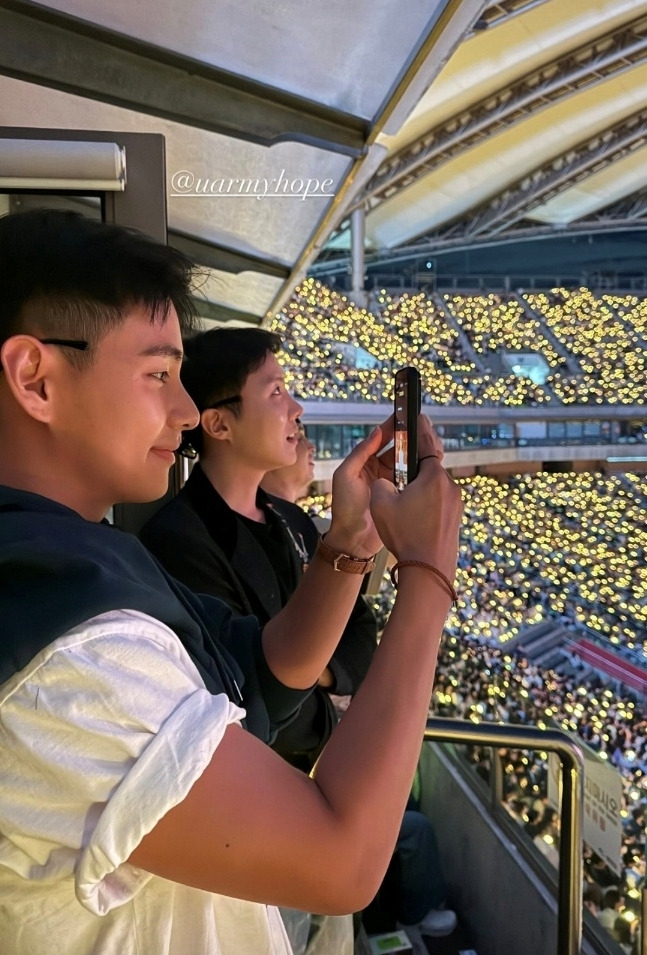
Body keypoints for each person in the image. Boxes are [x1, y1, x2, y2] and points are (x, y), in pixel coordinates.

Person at [0, 208, 463, 955]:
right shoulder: (66, 651)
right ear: (36, 379)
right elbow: (339, 860)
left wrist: (349, 541)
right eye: (157, 374)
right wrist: (428, 578)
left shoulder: (78, 561)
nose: (185, 412)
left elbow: (265, 669)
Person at [140, 330, 377, 773]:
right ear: (219, 425)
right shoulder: (180, 543)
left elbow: (361, 628)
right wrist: (323, 685)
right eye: (276, 392)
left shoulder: (293, 519)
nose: (295, 409)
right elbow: (255, 704)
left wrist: (311, 669)